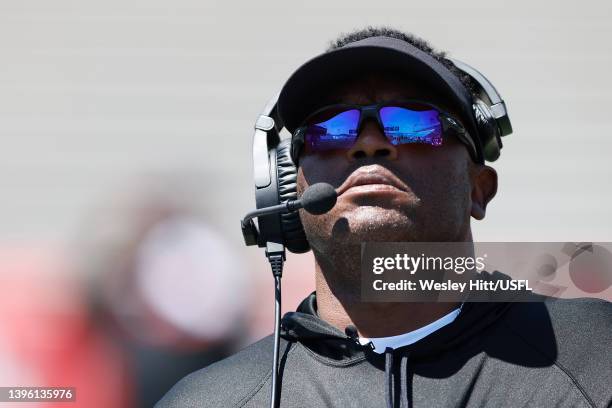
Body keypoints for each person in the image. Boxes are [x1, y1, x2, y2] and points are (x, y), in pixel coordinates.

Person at [157, 27, 612, 408]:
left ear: (480, 188)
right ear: (286, 188)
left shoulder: (596, 360)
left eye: (412, 122)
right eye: (331, 128)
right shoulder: (210, 400)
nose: (368, 144)